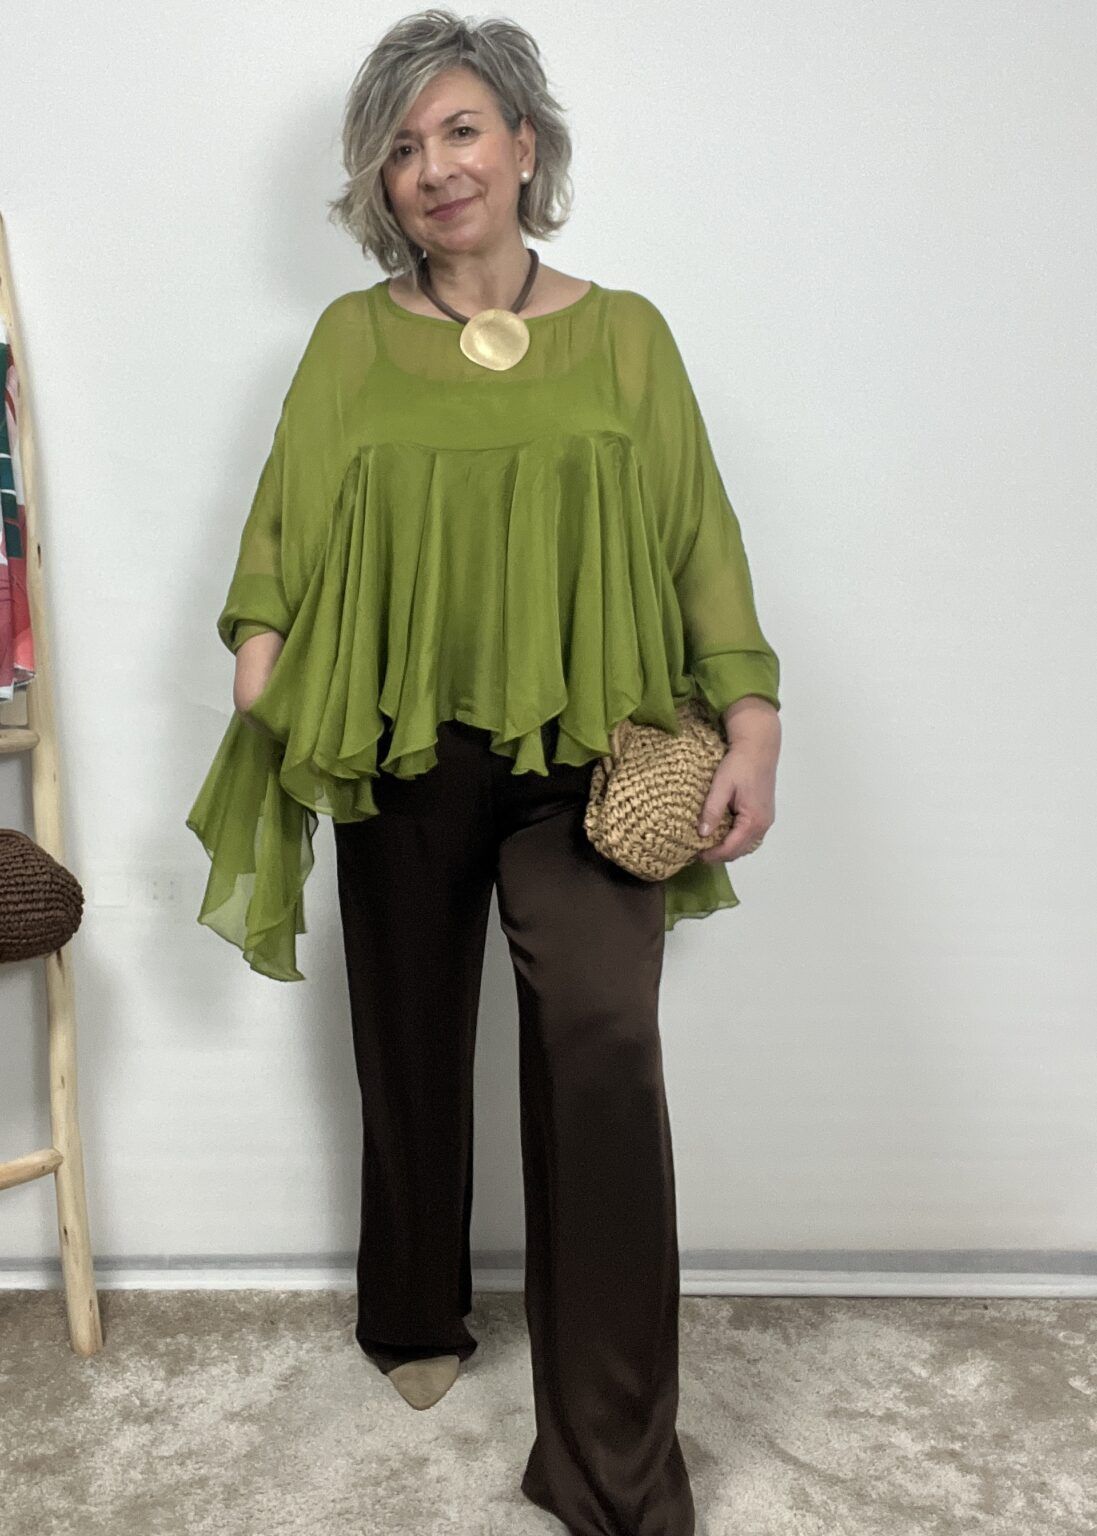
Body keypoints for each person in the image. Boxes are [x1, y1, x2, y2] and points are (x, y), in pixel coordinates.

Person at [186, 10, 781, 1534]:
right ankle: (414, 1308)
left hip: (591, 754)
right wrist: (261, 655)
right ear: (378, 182)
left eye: (458, 130)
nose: (433, 167)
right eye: (400, 147)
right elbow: (282, 524)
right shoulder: (350, 339)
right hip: (396, 737)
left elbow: (698, 540)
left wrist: (751, 717)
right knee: (406, 1034)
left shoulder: (626, 334)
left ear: (524, 143)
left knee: (602, 1046)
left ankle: (612, 1462)